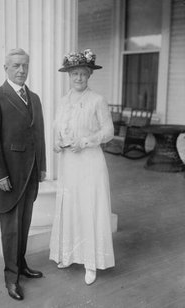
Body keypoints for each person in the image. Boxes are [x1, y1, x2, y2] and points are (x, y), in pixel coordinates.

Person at [0, 48, 46, 301]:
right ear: (5, 68)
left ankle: (21, 265)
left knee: (24, 224)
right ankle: (11, 277)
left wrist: (41, 167)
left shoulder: (35, 98)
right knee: (10, 229)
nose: (22, 71)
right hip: (7, 175)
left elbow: (38, 135)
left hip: (30, 174)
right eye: (16, 66)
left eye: (25, 66)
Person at [49, 49, 115, 285]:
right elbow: (58, 128)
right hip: (69, 163)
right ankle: (68, 254)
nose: (78, 78)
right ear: (68, 75)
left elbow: (109, 132)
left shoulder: (96, 100)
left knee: (89, 207)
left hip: (89, 161)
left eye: (83, 74)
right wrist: (57, 142)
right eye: (74, 73)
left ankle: (91, 263)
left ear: (89, 76)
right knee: (72, 207)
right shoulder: (63, 101)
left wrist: (86, 141)